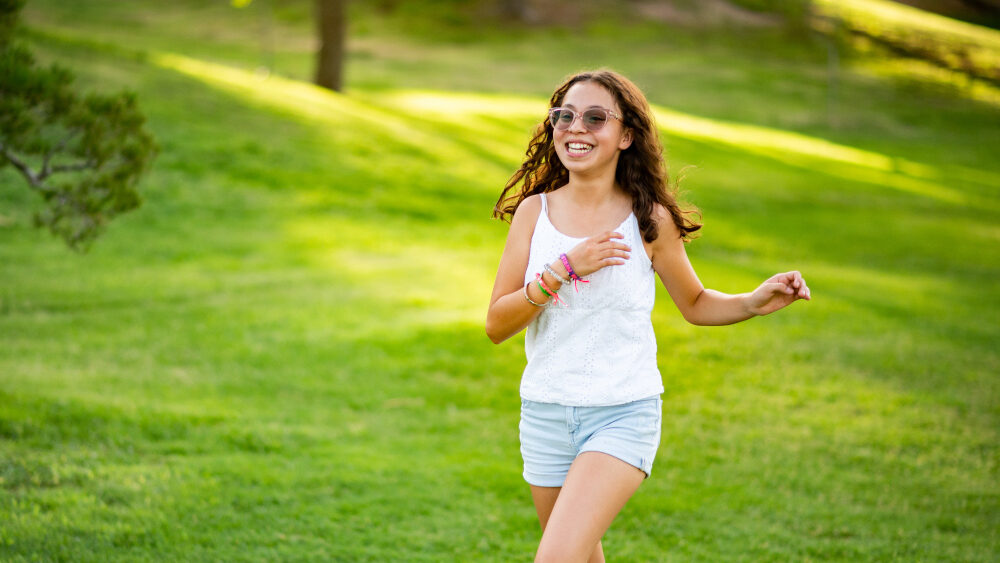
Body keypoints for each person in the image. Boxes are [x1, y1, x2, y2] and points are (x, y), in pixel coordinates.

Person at [485, 69, 811, 562]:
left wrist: (752, 301)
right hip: (545, 414)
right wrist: (563, 270)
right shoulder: (535, 213)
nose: (576, 128)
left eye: (595, 118)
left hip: (621, 414)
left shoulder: (649, 219)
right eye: (564, 116)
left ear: (626, 136)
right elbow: (496, 324)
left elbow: (696, 304)